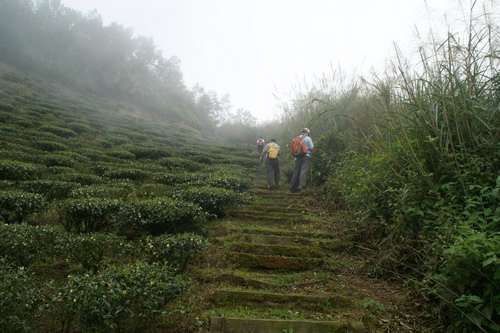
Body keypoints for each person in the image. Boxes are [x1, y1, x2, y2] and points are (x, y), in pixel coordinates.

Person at [289, 128, 314, 192]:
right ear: (308, 133)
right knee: (303, 171)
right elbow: (312, 148)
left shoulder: (295, 138)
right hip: (305, 157)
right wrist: (307, 149)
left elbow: (292, 149)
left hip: (297, 157)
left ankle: (292, 187)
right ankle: (301, 186)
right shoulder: (308, 138)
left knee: (296, 172)